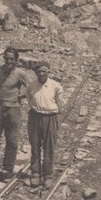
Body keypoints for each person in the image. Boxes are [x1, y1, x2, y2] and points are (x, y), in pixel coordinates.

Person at [0, 47, 30, 179]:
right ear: (3, 58)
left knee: (12, 140)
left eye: (12, 59)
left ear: (16, 60)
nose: (8, 61)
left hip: (13, 110)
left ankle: (8, 169)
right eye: (6, 58)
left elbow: (31, 88)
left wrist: (20, 96)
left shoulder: (20, 74)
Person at [26, 61, 63, 189]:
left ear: (48, 72)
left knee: (49, 147)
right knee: (35, 146)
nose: (41, 74)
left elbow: (60, 103)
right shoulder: (31, 86)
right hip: (35, 117)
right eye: (39, 71)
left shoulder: (55, 86)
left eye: (44, 71)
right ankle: (35, 173)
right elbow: (29, 100)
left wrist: (55, 116)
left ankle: (48, 175)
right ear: (36, 73)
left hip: (50, 117)